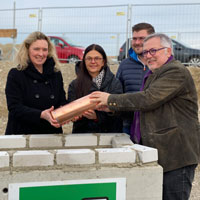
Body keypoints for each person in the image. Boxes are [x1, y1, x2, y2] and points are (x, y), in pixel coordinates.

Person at [90, 33, 200, 200]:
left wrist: (110, 99)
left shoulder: (175, 71)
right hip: (164, 153)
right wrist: (110, 107)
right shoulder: (155, 74)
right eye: (145, 53)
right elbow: (143, 108)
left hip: (177, 155)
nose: (148, 56)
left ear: (168, 51)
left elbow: (148, 99)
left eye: (153, 51)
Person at [5, 31, 67, 135]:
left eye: (44, 49)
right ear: (27, 49)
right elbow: (14, 107)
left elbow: (61, 101)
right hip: (22, 135)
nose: (41, 54)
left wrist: (67, 113)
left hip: (50, 133)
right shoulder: (16, 74)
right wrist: (41, 114)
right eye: (36, 49)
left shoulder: (55, 74)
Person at [67, 44, 123, 133]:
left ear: (103, 62)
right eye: (89, 58)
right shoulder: (74, 85)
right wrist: (74, 116)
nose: (93, 62)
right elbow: (70, 109)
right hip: (82, 135)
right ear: (84, 61)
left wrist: (97, 117)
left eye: (97, 58)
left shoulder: (115, 83)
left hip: (110, 134)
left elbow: (119, 111)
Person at [116, 22, 155, 134]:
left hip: (155, 126)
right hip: (129, 124)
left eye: (141, 38)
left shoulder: (160, 65)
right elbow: (118, 92)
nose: (137, 42)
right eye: (134, 39)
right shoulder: (124, 65)